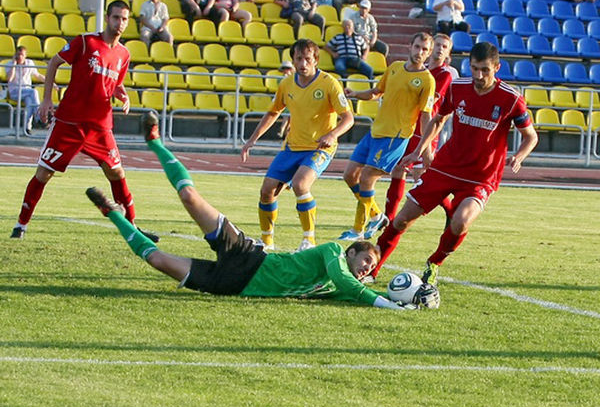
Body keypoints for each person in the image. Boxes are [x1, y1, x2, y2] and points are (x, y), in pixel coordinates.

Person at [85, 112, 439, 310]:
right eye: (366, 260)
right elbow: (351, 284)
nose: (367, 268)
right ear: (351, 251)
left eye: (371, 268)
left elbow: (352, 292)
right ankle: (156, 142)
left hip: (232, 286)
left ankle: (112, 213)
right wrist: (392, 306)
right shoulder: (334, 253)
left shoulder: (335, 287)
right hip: (248, 257)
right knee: (190, 197)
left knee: (157, 260)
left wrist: (404, 296)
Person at [373, 42, 538, 285]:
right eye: (474, 68)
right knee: (401, 219)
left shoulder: (511, 98)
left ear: (497, 68)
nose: (478, 75)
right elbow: (438, 120)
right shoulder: (457, 87)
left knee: (460, 222)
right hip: (445, 167)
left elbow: (531, 136)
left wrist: (519, 156)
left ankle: (434, 262)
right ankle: (372, 269)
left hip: (481, 177)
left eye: (485, 70)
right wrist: (419, 151)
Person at [10, 0, 156, 242]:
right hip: (69, 123)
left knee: (116, 172)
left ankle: (132, 226)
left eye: (124, 19)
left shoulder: (124, 54)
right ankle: (20, 225)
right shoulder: (86, 42)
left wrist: (123, 94)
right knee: (44, 173)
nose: (120, 23)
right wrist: (46, 99)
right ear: (107, 18)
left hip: (100, 126)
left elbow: (115, 83)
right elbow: (54, 62)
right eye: (116, 17)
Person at [241, 39, 354, 251]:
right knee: (266, 191)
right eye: (299, 59)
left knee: (301, 184)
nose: (303, 64)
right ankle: (267, 242)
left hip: (319, 148)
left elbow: (348, 118)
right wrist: (252, 140)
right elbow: (273, 112)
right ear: (293, 60)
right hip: (292, 147)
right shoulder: (286, 84)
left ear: (316, 60)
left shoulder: (329, 83)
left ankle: (308, 240)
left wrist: (332, 135)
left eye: (308, 59)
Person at [339, 32, 435, 241]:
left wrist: (426, 149)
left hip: (395, 137)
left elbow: (426, 115)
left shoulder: (427, 80)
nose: (420, 52)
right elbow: (376, 92)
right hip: (375, 132)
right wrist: (355, 94)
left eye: (424, 49)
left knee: (367, 178)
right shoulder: (394, 68)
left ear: (429, 54)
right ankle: (376, 216)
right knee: (349, 175)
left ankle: (357, 230)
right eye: (417, 47)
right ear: (410, 46)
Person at [383, 33, 454, 225]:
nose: (440, 49)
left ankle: (450, 210)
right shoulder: (418, 70)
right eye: (437, 44)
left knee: (421, 177)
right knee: (399, 169)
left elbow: (429, 105)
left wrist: (429, 145)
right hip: (407, 126)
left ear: (448, 53)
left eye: (444, 47)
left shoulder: (444, 75)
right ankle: (388, 218)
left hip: (426, 129)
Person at [5, 45, 46, 135]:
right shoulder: (9, 64)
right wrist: (14, 64)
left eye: (22, 55)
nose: (20, 57)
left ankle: (26, 128)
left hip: (27, 92)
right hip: (15, 91)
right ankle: (38, 117)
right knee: (34, 91)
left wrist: (51, 83)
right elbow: (9, 79)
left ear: (25, 55)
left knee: (30, 103)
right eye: (18, 54)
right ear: (15, 55)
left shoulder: (29, 63)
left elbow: (37, 75)